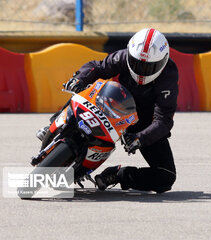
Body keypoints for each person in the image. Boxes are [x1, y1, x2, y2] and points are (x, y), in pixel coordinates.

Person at [41, 28, 178, 193]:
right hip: (110, 103)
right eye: (136, 63)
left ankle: (117, 175)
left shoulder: (168, 77)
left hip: (141, 123)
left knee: (166, 177)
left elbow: (163, 120)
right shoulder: (123, 56)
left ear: (163, 61)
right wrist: (79, 78)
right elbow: (97, 68)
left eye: (149, 66)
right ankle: (57, 122)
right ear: (129, 55)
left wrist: (141, 138)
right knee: (83, 88)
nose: (142, 70)